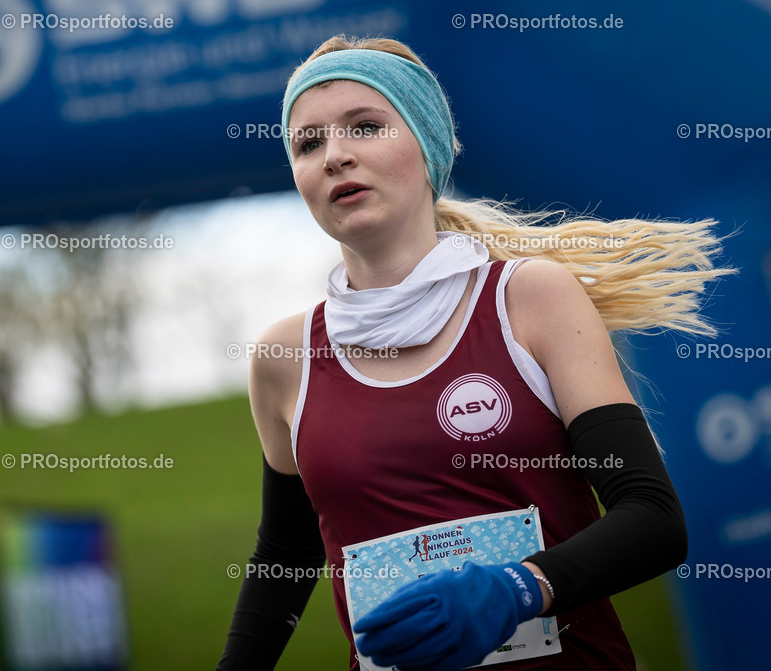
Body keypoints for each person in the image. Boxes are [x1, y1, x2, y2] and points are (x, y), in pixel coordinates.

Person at [217, 35, 733, 671]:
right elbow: (286, 558)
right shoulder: (282, 357)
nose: (335, 155)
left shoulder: (530, 297)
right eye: (308, 143)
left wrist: (516, 591)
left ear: (428, 147)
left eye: (366, 127)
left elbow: (654, 519)